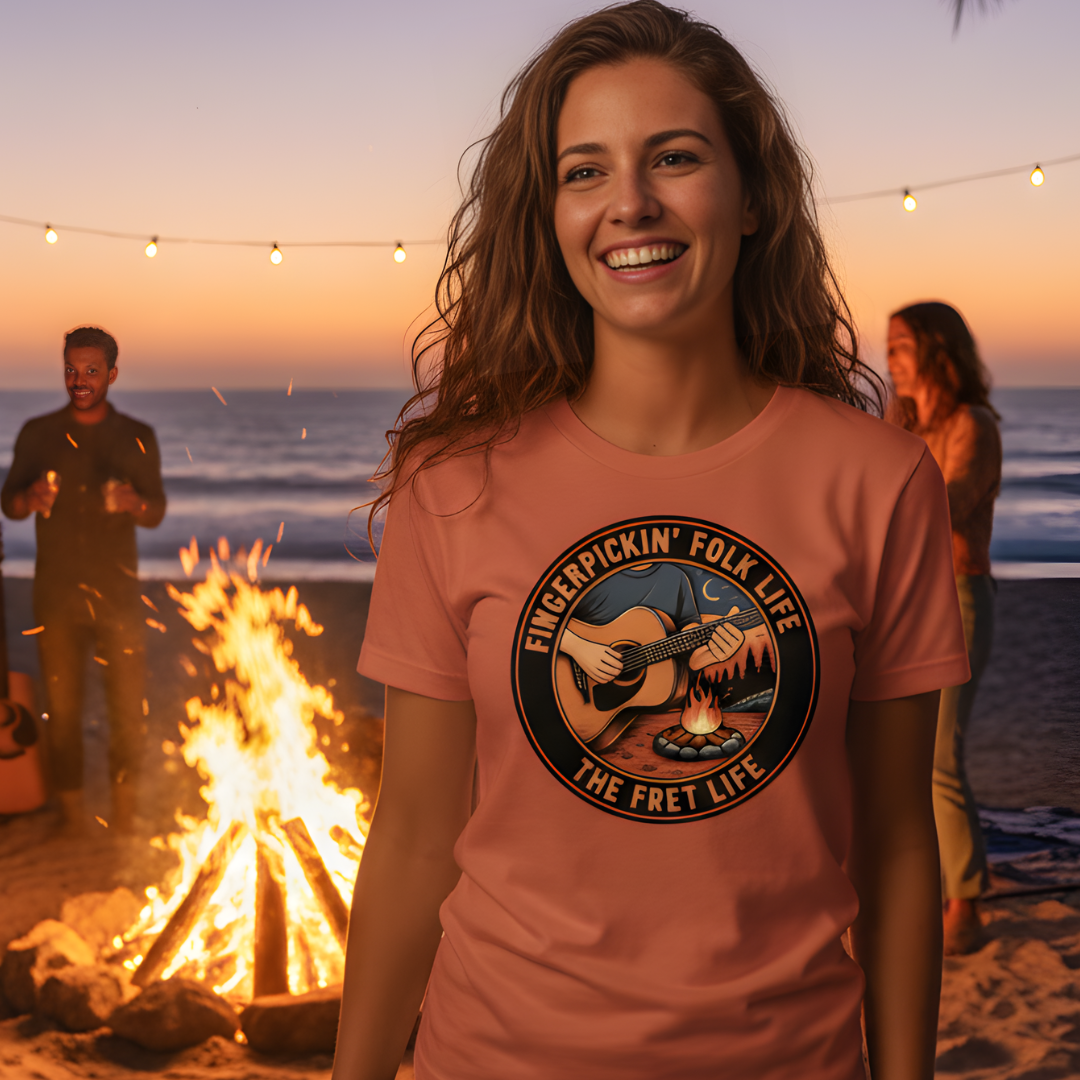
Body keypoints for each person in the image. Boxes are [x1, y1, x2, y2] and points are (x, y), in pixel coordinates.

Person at [334, 5, 969, 1078]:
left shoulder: (880, 481)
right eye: (584, 171)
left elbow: (899, 840)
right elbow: (411, 836)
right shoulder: (453, 486)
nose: (629, 202)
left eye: (674, 157)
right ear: (548, 217)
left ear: (752, 197)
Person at [1, 326, 165, 836]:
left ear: (112, 374)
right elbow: (9, 503)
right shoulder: (38, 433)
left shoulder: (137, 435)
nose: (80, 380)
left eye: (92, 371)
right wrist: (30, 498)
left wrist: (133, 502)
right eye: (72, 369)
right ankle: (72, 819)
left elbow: (156, 511)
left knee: (127, 711)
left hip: (118, 598)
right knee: (62, 710)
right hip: (56, 597)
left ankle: (125, 816)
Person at [886, 302, 1002, 956]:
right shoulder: (901, 423)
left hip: (957, 595)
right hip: (898, 598)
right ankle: (923, 881)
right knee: (890, 750)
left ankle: (966, 903)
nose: (890, 358)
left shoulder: (971, 426)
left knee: (938, 754)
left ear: (936, 350)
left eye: (901, 345)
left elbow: (946, 507)